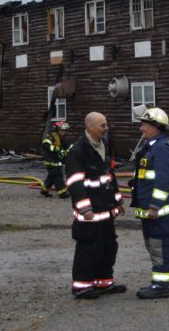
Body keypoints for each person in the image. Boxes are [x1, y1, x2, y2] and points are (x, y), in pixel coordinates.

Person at [64, 112, 126, 299]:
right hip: (90, 212)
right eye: (103, 125)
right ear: (90, 127)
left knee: (108, 246)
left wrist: (118, 201)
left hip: (106, 209)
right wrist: (85, 208)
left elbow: (109, 176)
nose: (106, 128)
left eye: (106, 124)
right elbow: (75, 182)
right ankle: (82, 286)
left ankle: (103, 282)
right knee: (89, 248)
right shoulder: (78, 151)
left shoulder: (103, 146)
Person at [131, 107, 169, 299]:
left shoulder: (161, 148)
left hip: (160, 212)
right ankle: (162, 282)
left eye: (144, 125)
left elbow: (163, 181)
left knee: (160, 246)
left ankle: (162, 285)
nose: (141, 129)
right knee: (155, 246)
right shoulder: (153, 146)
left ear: (155, 127)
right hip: (155, 212)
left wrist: (154, 206)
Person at [41, 120, 71, 198]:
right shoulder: (51, 137)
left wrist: (66, 154)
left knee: (52, 176)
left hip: (58, 161)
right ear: (57, 130)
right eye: (61, 130)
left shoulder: (66, 139)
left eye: (64, 130)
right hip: (51, 162)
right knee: (57, 176)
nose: (63, 132)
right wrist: (56, 149)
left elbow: (68, 148)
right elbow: (45, 144)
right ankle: (62, 193)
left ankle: (44, 190)